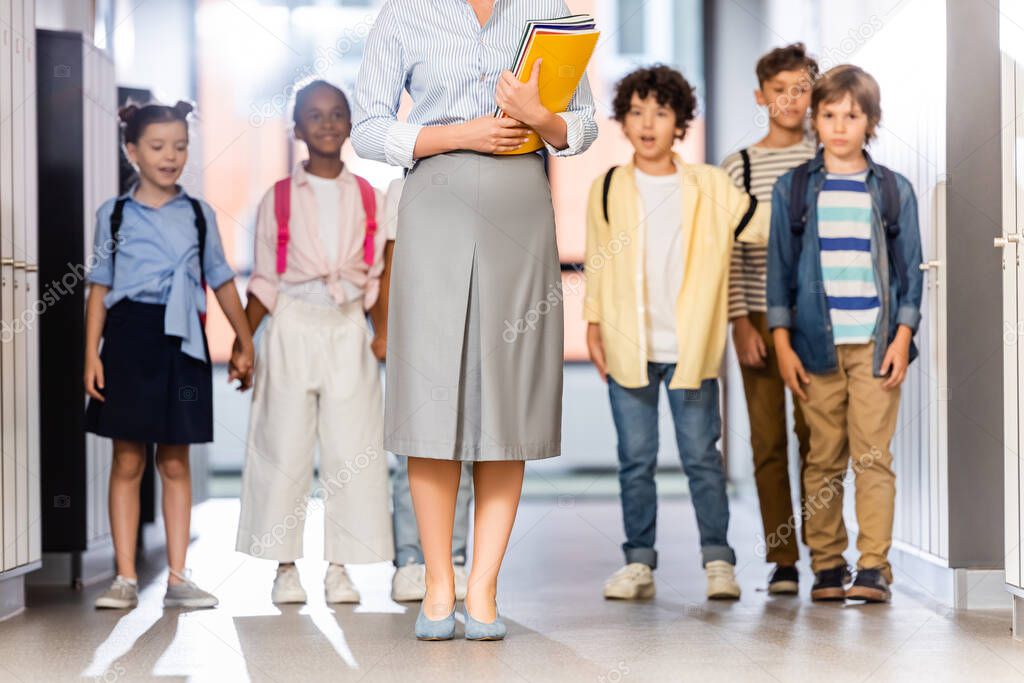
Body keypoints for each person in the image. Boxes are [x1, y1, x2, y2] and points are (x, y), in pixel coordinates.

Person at [351, 0, 598, 641]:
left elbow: (586, 126)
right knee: (431, 396)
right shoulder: (403, 14)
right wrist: (456, 135)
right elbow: (369, 128)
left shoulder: (548, 8)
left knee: (505, 400)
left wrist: (540, 118)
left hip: (522, 203)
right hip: (435, 200)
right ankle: (438, 584)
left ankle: (483, 587)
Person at [584, 66, 768, 603]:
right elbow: (597, 260)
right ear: (623, 119)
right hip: (627, 345)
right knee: (635, 462)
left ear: (680, 122)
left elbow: (758, 225)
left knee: (702, 460)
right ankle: (638, 564)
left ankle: (718, 561)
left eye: (660, 113)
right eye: (637, 112)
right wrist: (593, 323)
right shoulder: (608, 187)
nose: (647, 124)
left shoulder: (709, 185)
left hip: (692, 350)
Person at [85, 101, 254, 610]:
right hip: (129, 337)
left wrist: (245, 341)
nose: (171, 156)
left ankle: (179, 579)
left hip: (184, 340)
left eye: (180, 146)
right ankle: (124, 578)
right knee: (128, 459)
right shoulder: (113, 214)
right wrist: (91, 354)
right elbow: (98, 286)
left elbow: (222, 281)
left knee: (176, 461)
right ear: (132, 150)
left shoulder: (199, 215)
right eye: (158, 147)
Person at [766, 65, 924, 603]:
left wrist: (903, 337)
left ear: (870, 123)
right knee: (822, 459)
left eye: (851, 116)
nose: (839, 126)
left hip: (877, 347)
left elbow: (910, 274)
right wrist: (783, 345)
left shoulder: (892, 191)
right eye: (829, 115)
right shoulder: (794, 191)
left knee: (873, 457)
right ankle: (828, 566)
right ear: (814, 119)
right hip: (813, 346)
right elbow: (779, 277)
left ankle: (874, 566)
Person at [233, 80, 394, 604]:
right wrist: (244, 343)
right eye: (315, 115)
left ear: (351, 123)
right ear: (297, 129)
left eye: (338, 113)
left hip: (348, 325)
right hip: (292, 326)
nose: (327, 123)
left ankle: (340, 568)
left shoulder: (370, 196)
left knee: (355, 447)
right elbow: (263, 280)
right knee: (283, 445)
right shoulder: (277, 198)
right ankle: (284, 567)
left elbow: (378, 276)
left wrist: (383, 332)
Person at [722, 43, 818, 594]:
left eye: (800, 88)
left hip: (812, 315)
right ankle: (783, 558)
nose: (790, 99)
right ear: (761, 96)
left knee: (817, 437)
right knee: (766, 441)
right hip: (756, 312)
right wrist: (739, 322)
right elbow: (730, 251)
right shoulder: (742, 166)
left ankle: (823, 549)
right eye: (779, 89)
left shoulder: (824, 157)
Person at [377, 175, 475, 604]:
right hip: (417, 334)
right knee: (413, 453)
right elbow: (391, 263)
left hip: (469, 330)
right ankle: (411, 561)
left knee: (467, 454)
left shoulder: (480, 184)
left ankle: (453, 560)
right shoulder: (403, 190)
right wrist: (384, 330)